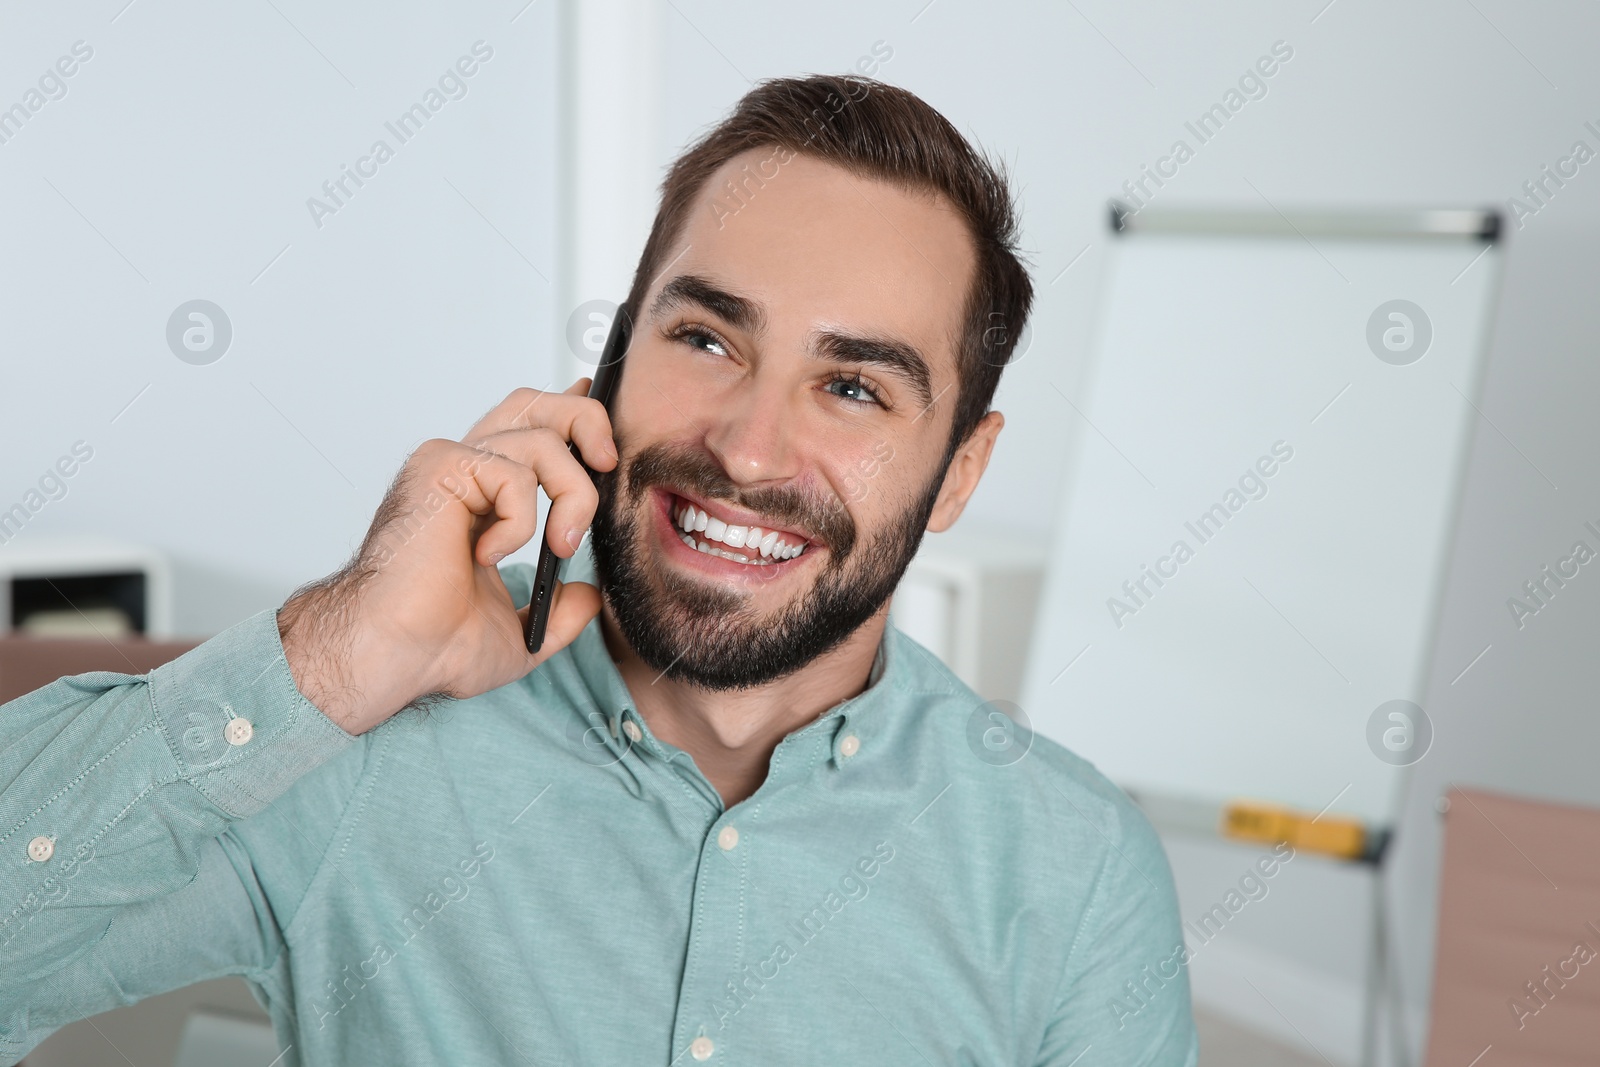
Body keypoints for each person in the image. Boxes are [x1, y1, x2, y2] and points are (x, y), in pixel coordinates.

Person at [0, 74, 1198, 1065]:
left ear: (957, 472)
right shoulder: (360, 748)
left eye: (851, 386)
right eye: (706, 337)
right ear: (608, 367)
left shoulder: (1073, 869)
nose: (746, 446)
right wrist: (335, 651)